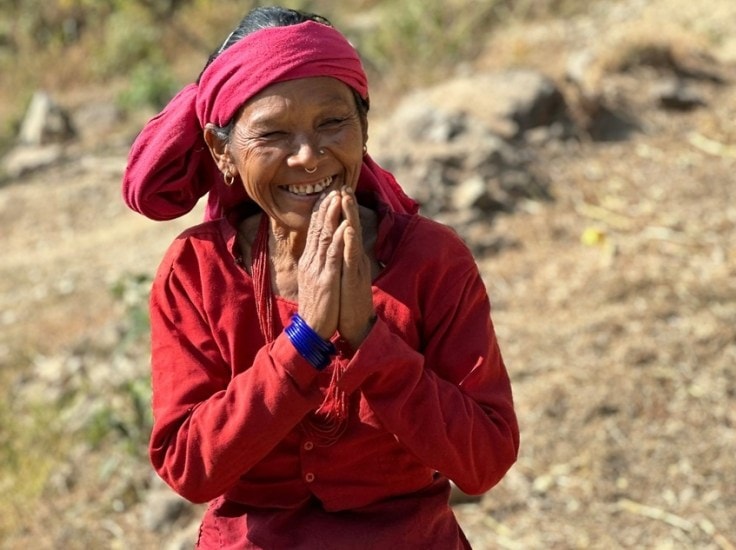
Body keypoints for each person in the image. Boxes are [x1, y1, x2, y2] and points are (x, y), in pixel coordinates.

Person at [122, 6, 519, 549]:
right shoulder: (198, 273)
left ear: (364, 126)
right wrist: (303, 341)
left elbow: (485, 461)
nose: (309, 156)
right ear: (223, 152)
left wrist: (369, 340)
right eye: (273, 133)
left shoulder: (431, 260)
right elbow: (188, 466)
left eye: (332, 123)